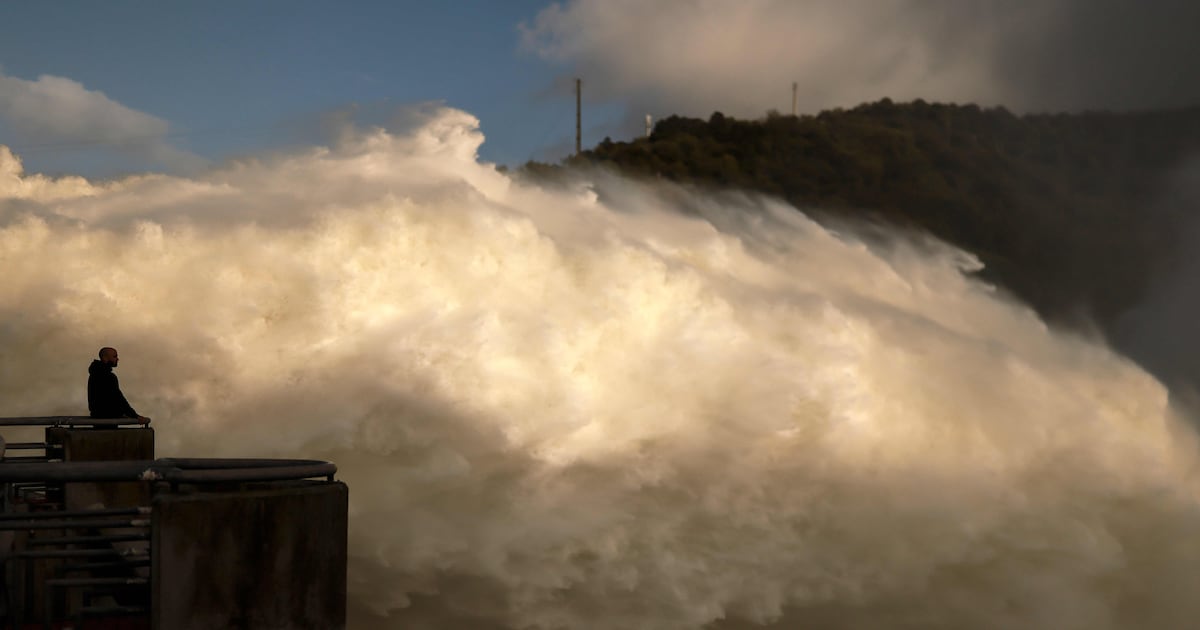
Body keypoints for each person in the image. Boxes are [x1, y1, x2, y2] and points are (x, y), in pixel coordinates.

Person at [87, 347, 150, 424]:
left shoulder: (94, 374)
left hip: (97, 415)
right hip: (107, 417)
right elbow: (118, 398)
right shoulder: (108, 376)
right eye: (114, 356)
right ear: (105, 358)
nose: (117, 359)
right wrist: (135, 416)